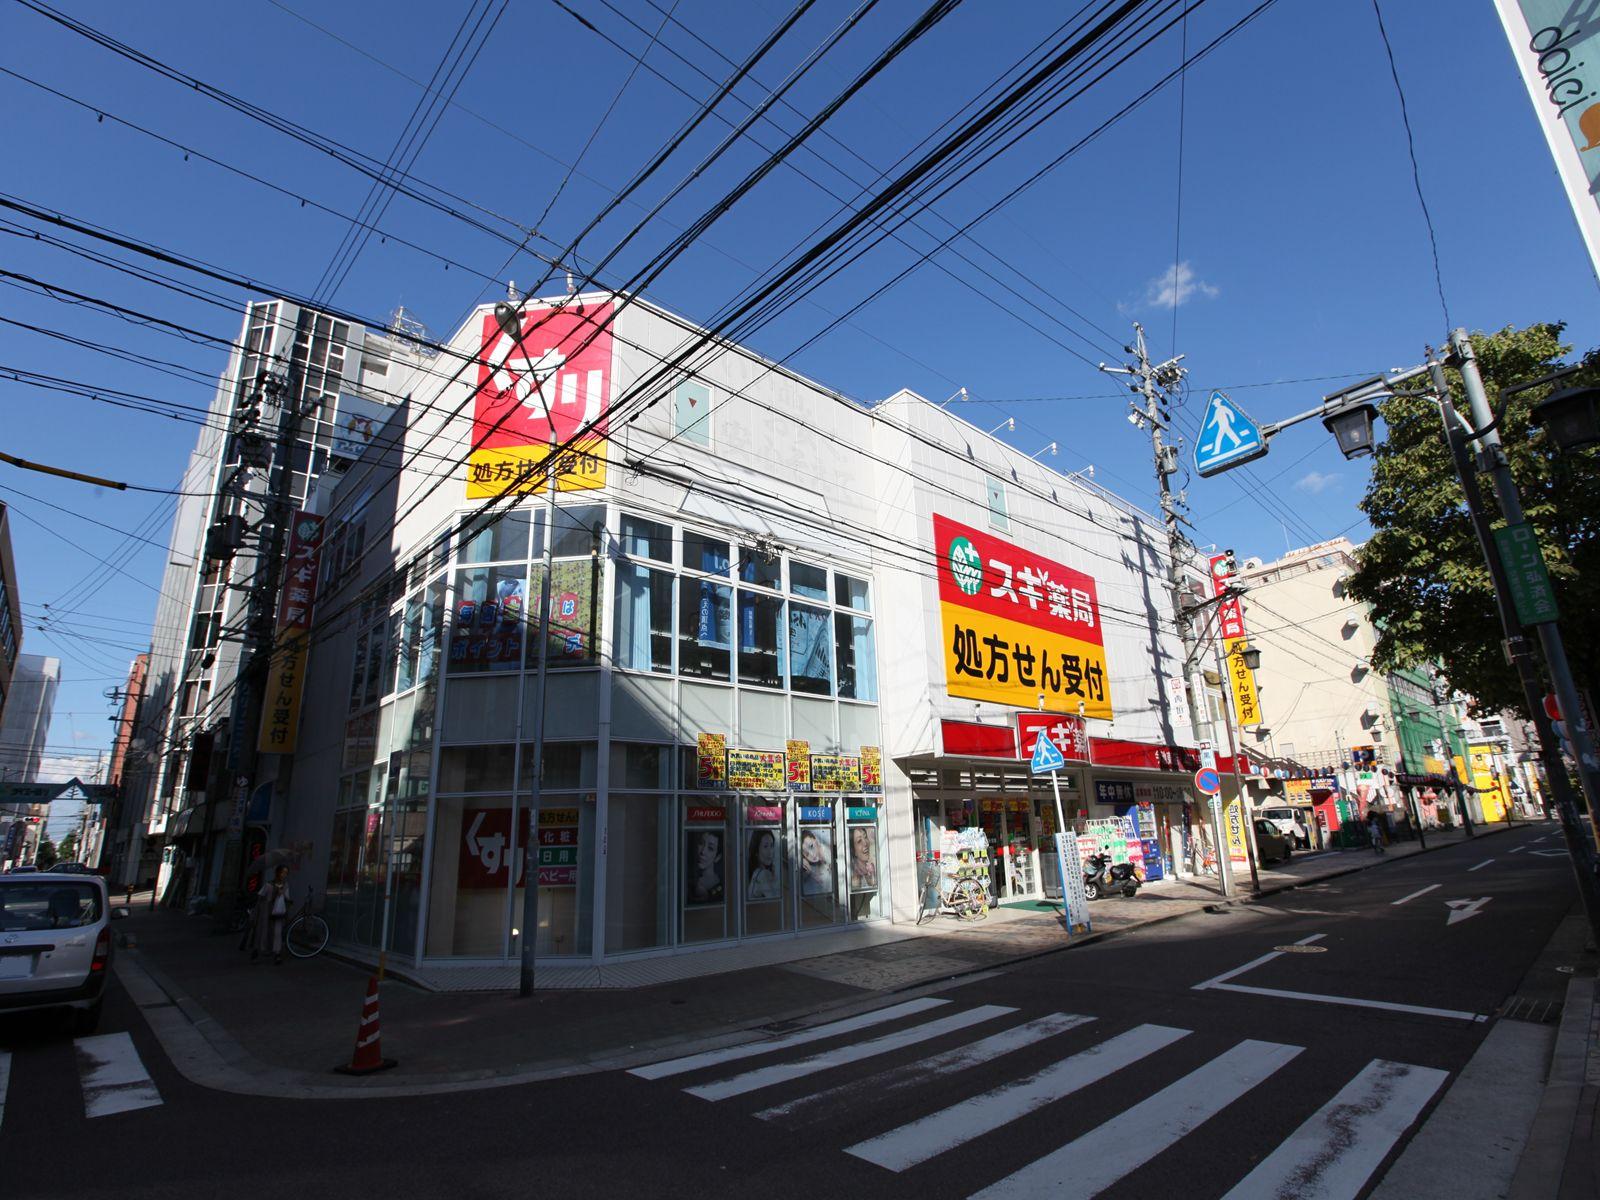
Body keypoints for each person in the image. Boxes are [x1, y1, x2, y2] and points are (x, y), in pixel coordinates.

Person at [255, 865, 291, 963]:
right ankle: (260, 950)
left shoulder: (285, 885)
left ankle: (277, 953)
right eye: (283, 872)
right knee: (264, 931)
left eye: (286, 873)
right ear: (278, 873)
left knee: (277, 932)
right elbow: (260, 896)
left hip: (278, 911)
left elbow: (288, 898)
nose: (284, 875)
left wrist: (282, 894)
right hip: (267, 911)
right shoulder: (269, 884)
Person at [688, 831, 723, 904]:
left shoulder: (720, 886)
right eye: (701, 843)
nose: (703, 851)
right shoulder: (690, 879)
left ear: (718, 857)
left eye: (710, 848)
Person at [746, 830, 780, 901]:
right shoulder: (762, 874)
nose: (770, 851)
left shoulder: (756, 872)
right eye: (765, 846)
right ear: (756, 851)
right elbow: (776, 899)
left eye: (771, 845)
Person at [800, 828, 832, 896]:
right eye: (807, 854)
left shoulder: (828, 849)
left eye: (811, 846)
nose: (812, 854)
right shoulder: (807, 869)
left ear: (816, 840)